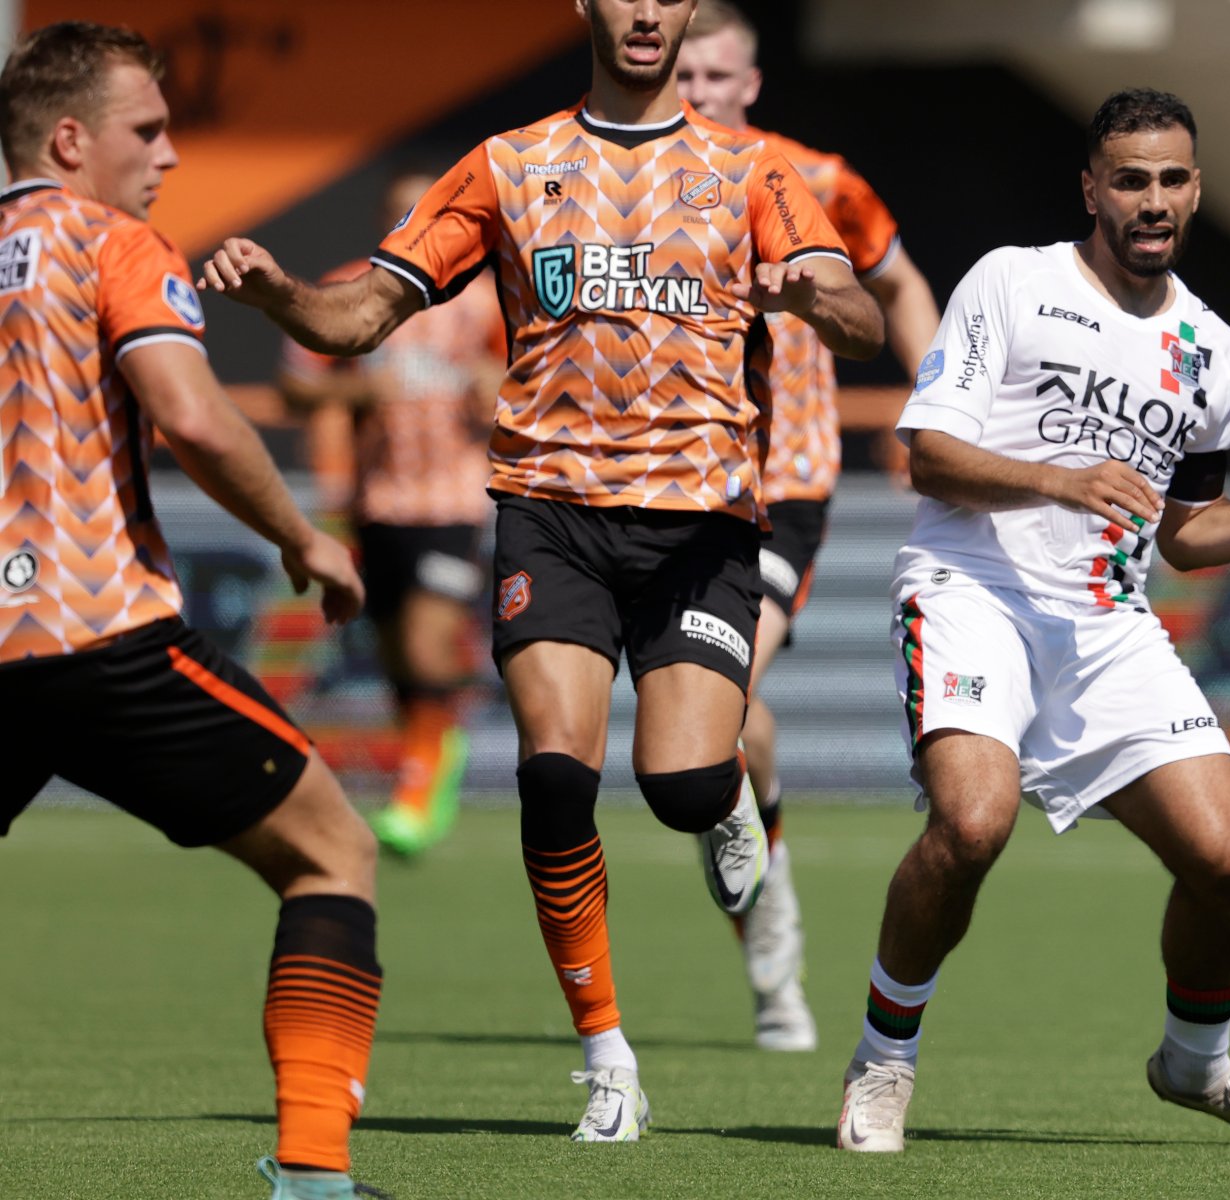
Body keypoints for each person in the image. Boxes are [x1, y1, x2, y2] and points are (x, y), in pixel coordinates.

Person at [201, 0, 883, 1144]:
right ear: (590, 6)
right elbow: (364, 315)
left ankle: (720, 805)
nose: (647, 12)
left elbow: (859, 315)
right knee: (555, 777)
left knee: (675, 784)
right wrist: (277, 294)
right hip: (549, 515)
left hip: (701, 525)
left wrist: (823, 296)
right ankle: (608, 1057)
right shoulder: (509, 165)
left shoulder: (753, 171)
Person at [834, 88, 1230, 1153]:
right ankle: (884, 1059)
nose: (1152, 199)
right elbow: (930, 456)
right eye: (1129, 179)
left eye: (1171, 179)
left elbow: (1183, 535)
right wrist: (1060, 480)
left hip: (1103, 621)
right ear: (1091, 188)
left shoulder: (1213, 353)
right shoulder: (1012, 281)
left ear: (1196, 190)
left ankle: (1196, 1064)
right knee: (971, 825)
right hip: (972, 590)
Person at [0, 22, 386, 1199]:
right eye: (147, 129)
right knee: (333, 855)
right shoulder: (117, 242)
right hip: (99, 631)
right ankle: (314, 1176)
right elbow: (196, 417)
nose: (168, 154)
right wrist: (303, 535)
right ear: (72, 141)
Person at [675, 0, 941, 1054]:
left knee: (722, 709)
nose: (695, 93)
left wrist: (937, 410)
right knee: (726, 732)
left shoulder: (813, 181)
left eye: (714, 76)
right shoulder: (613, 178)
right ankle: (767, 903)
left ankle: (771, 946)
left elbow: (901, 281)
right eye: (681, 75)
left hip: (780, 488)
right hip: (661, 487)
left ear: (749, 84)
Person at [277, 173, 507, 858]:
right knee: (394, 650)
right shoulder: (353, 289)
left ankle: (417, 787)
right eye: (401, 208)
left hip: (457, 496)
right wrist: (355, 391)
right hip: (378, 497)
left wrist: (494, 391)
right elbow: (295, 385)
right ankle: (431, 754)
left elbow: (526, 384)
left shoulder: (484, 300)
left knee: (429, 637)